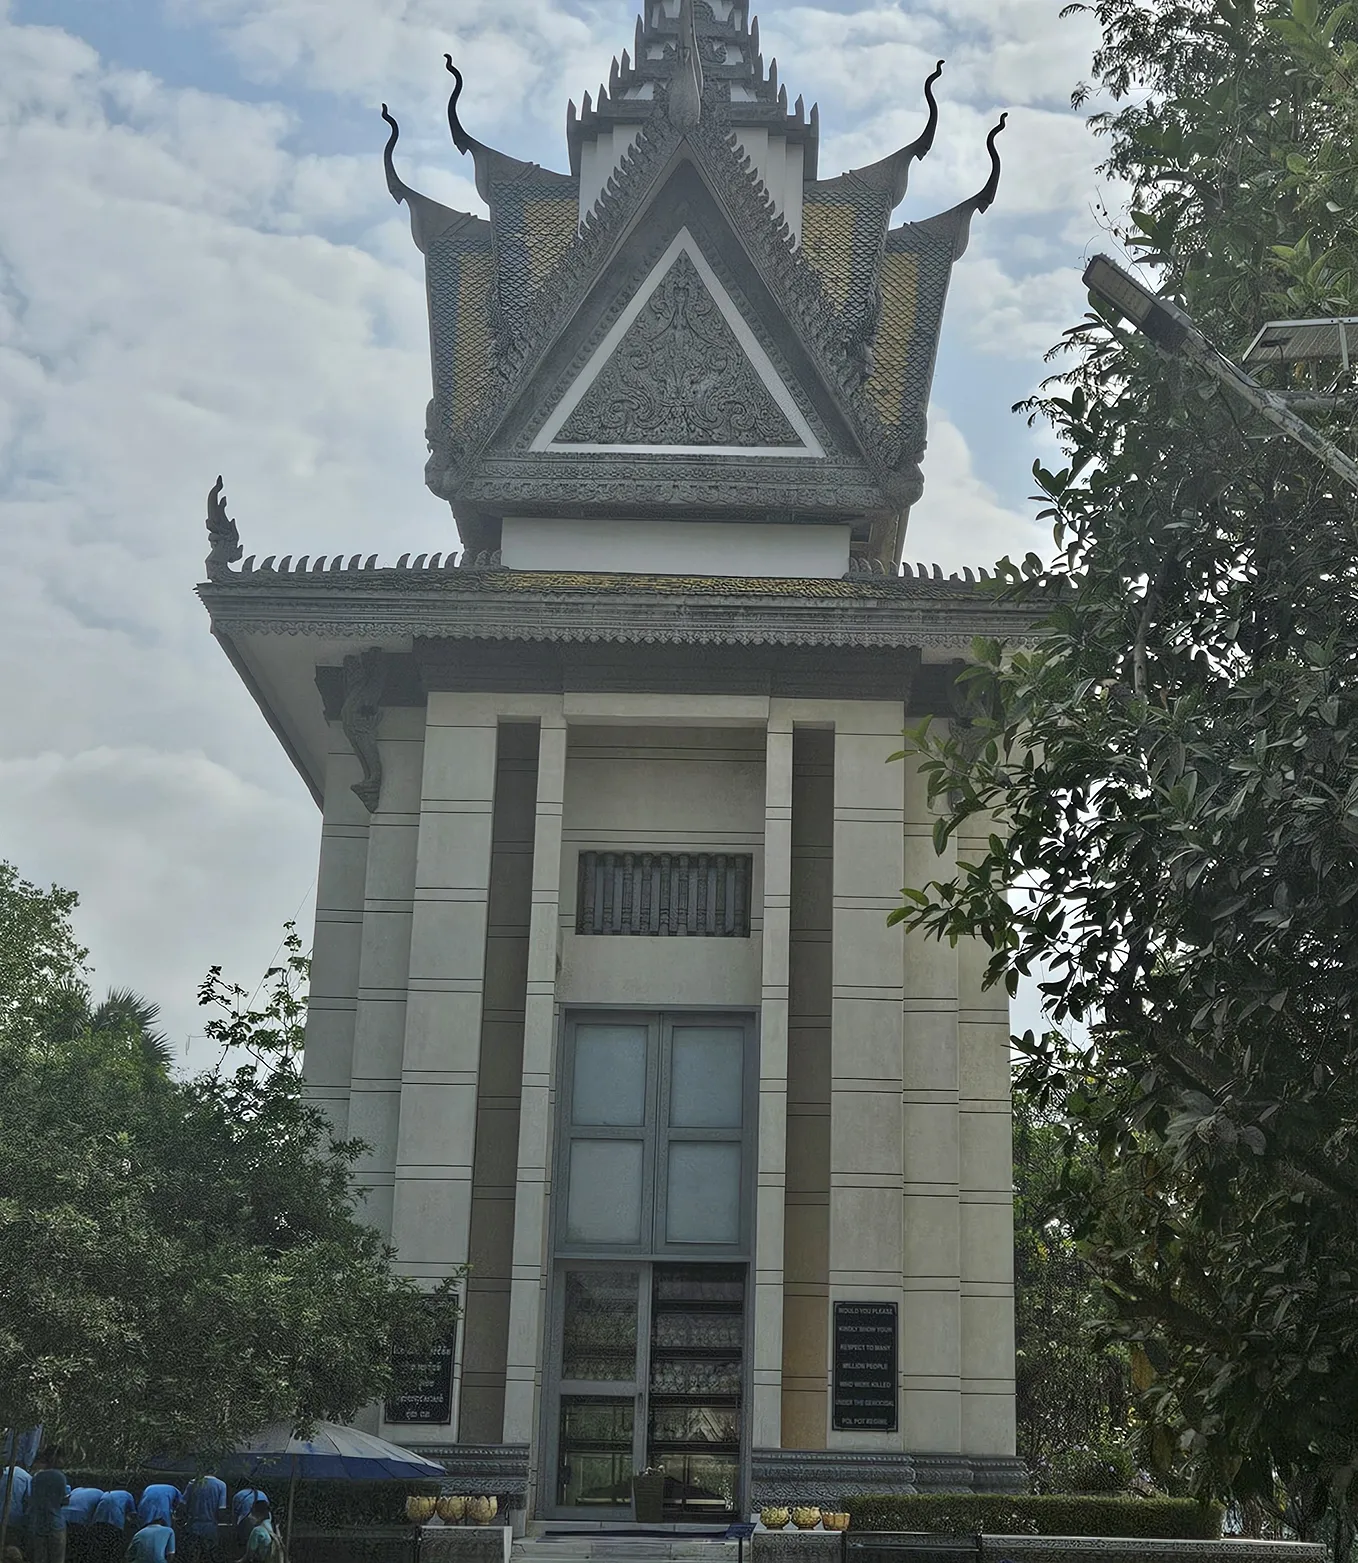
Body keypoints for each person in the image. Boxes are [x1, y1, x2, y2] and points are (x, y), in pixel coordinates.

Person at [27, 1446, 71, 1563]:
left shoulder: (36, 1478)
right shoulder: (60, 1477)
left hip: (38, 1526)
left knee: (39, 1558)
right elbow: (64, 1500)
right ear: (56, 1458)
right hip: (56, 1525)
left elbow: (32, 1499)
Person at [180, 1477, 227, 1563]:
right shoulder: (221, 1485)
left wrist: (182, 1519)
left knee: (192, 1556)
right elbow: (221, 1509)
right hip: (210, 1526)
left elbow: (183, 1504)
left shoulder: (193, 1483)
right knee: (209, 1556)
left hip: (193, 1525)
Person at [90, 1490, 136, 1563]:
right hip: (116, 1519)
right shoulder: (129, 1495)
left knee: (100, 1542)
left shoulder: (106, 1493)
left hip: (100, 1518)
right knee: (114, 1542)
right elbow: (132, 1514)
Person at [65, 1487, 105, 1563]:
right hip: (81, 1518)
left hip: (64, 1516)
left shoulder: (77, 1489)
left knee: (67, 1544)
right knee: (80, 1547)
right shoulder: (101, 1493)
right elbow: (98, 1513)